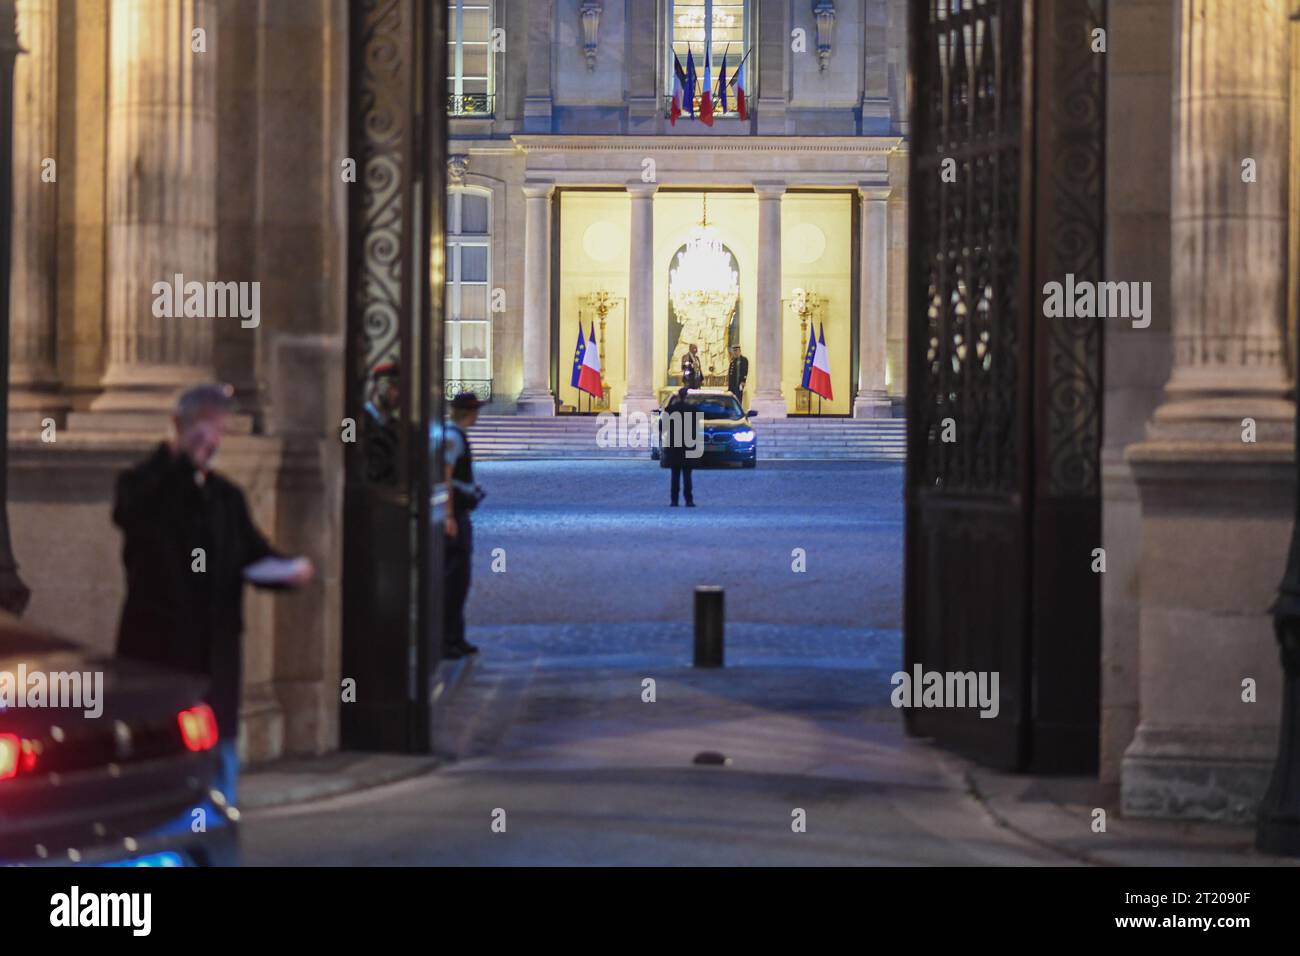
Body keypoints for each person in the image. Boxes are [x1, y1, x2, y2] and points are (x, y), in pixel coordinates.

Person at [112, 384, 314, 808]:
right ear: (178, 427)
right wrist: (178, 464)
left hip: (215, 662)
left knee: (219, 775)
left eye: (217, 430)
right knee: (160, 776)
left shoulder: (226, 497)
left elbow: (253, 556)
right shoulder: (143, 484)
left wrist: (287, 570)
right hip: (160, 655)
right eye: (201, 429)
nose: (211, 441)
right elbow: (134, 515)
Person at [442, 392, 487, 660]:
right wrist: (448, 516)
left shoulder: (456, 436)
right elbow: (445, 477)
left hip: (461, 511)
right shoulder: (451, 438)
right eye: (475, 411)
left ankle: (455, 637)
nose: (478, 415)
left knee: (460, 580)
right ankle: (447, 640)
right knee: (453, 579)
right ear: (467, 413)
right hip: (455, 516)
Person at [663, 386, 697, 508]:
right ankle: (689, 500)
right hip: (687, 445)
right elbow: (695, 427)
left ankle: (674, 500)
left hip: (674, 445)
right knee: (687, 476)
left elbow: (663, 426)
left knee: (675, 475)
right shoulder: (692, 409)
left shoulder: (671, 409)